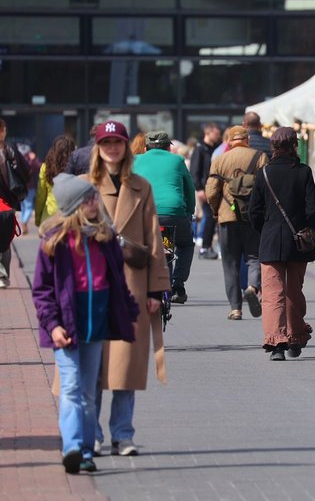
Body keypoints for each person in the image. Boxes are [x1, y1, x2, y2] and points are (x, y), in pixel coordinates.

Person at [32, 173, 139, 475]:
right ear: (75, 205)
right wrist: (53, 325)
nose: (95, 202)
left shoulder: (105, 237)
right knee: (71, 387)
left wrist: (129, 312)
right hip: (66, 325)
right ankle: (73, 447)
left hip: (96, 324)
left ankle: (87, 451)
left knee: (89, 393)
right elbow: (42, 290)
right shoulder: (54, 242)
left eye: (94, 196)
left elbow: (117, 282)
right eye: (89, 198)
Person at [85, 120, 169, 457]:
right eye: (106, 143)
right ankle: (91, 434)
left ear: (125, 146)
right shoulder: (85, 186)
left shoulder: (141, 187)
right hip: (91, 287)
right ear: (98, 147)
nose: (112, 148)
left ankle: (122, 433)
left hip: (131, 286)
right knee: (92, 366)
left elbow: (153, 239)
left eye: (117, 142)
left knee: (126, 365)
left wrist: (155, 290)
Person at [248, 127, 315, 361]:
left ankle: (276, 342)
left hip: (270, 239)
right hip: (298, 240)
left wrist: (265, 229)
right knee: (293, 291)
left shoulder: (264, 173)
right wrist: (308, 228)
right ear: (294, 146)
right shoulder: (303, 172)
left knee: (272, 294)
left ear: (273, 146)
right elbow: (313, 209)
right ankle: (296, 336)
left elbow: (254, 210)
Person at [206, 125, 268, 320]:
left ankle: (235, 308)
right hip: (252, 217)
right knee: (254, 257)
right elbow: (266, 188)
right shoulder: (260, 157)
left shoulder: (220, 159)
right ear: (247, 139)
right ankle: (252, 287)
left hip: (227, 216)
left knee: (230, 263)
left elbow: (211, 191)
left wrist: (215, 210)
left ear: (229, 141)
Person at [133, 131, 196, 304]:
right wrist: (189, 211)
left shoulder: (135, 160)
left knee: (141, 245)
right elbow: (189, 189)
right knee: (185, 244)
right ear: (168, 148)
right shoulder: (177, 160)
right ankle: (178, 285)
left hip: (144, 213)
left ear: (145, 149)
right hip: (173, 211)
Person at [0, 117, 30, 289]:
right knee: (5, 241)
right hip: (7, 202)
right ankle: (3, 276)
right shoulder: (10, 149)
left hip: (5, 203)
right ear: (3, 131)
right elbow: (26, 172)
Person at [190, 123, 221, 260]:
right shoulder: (200, 149)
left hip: (213, 187)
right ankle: (205, 247)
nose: (218, 135)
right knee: (209, 216)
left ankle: (208, 246)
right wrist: (199, 189)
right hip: (205, 188)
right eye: (216, 133)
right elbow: (195, 171)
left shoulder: (215, 148)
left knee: (212, 217)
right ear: (207, 133)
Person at [35, 135, 77, 227]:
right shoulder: (75, 168)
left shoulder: (46, 168)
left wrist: (38, 217)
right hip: (70, 217)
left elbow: (41, 195)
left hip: (49, 215)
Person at [18, 144, 41, 233]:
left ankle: (22, 224)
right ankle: (24, 222)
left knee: (23, 207)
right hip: (29, 186)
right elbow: (39, 166)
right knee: (28, 207)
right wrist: (34, 158)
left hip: (20, 187)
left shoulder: (16, 159)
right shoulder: (30, 160)